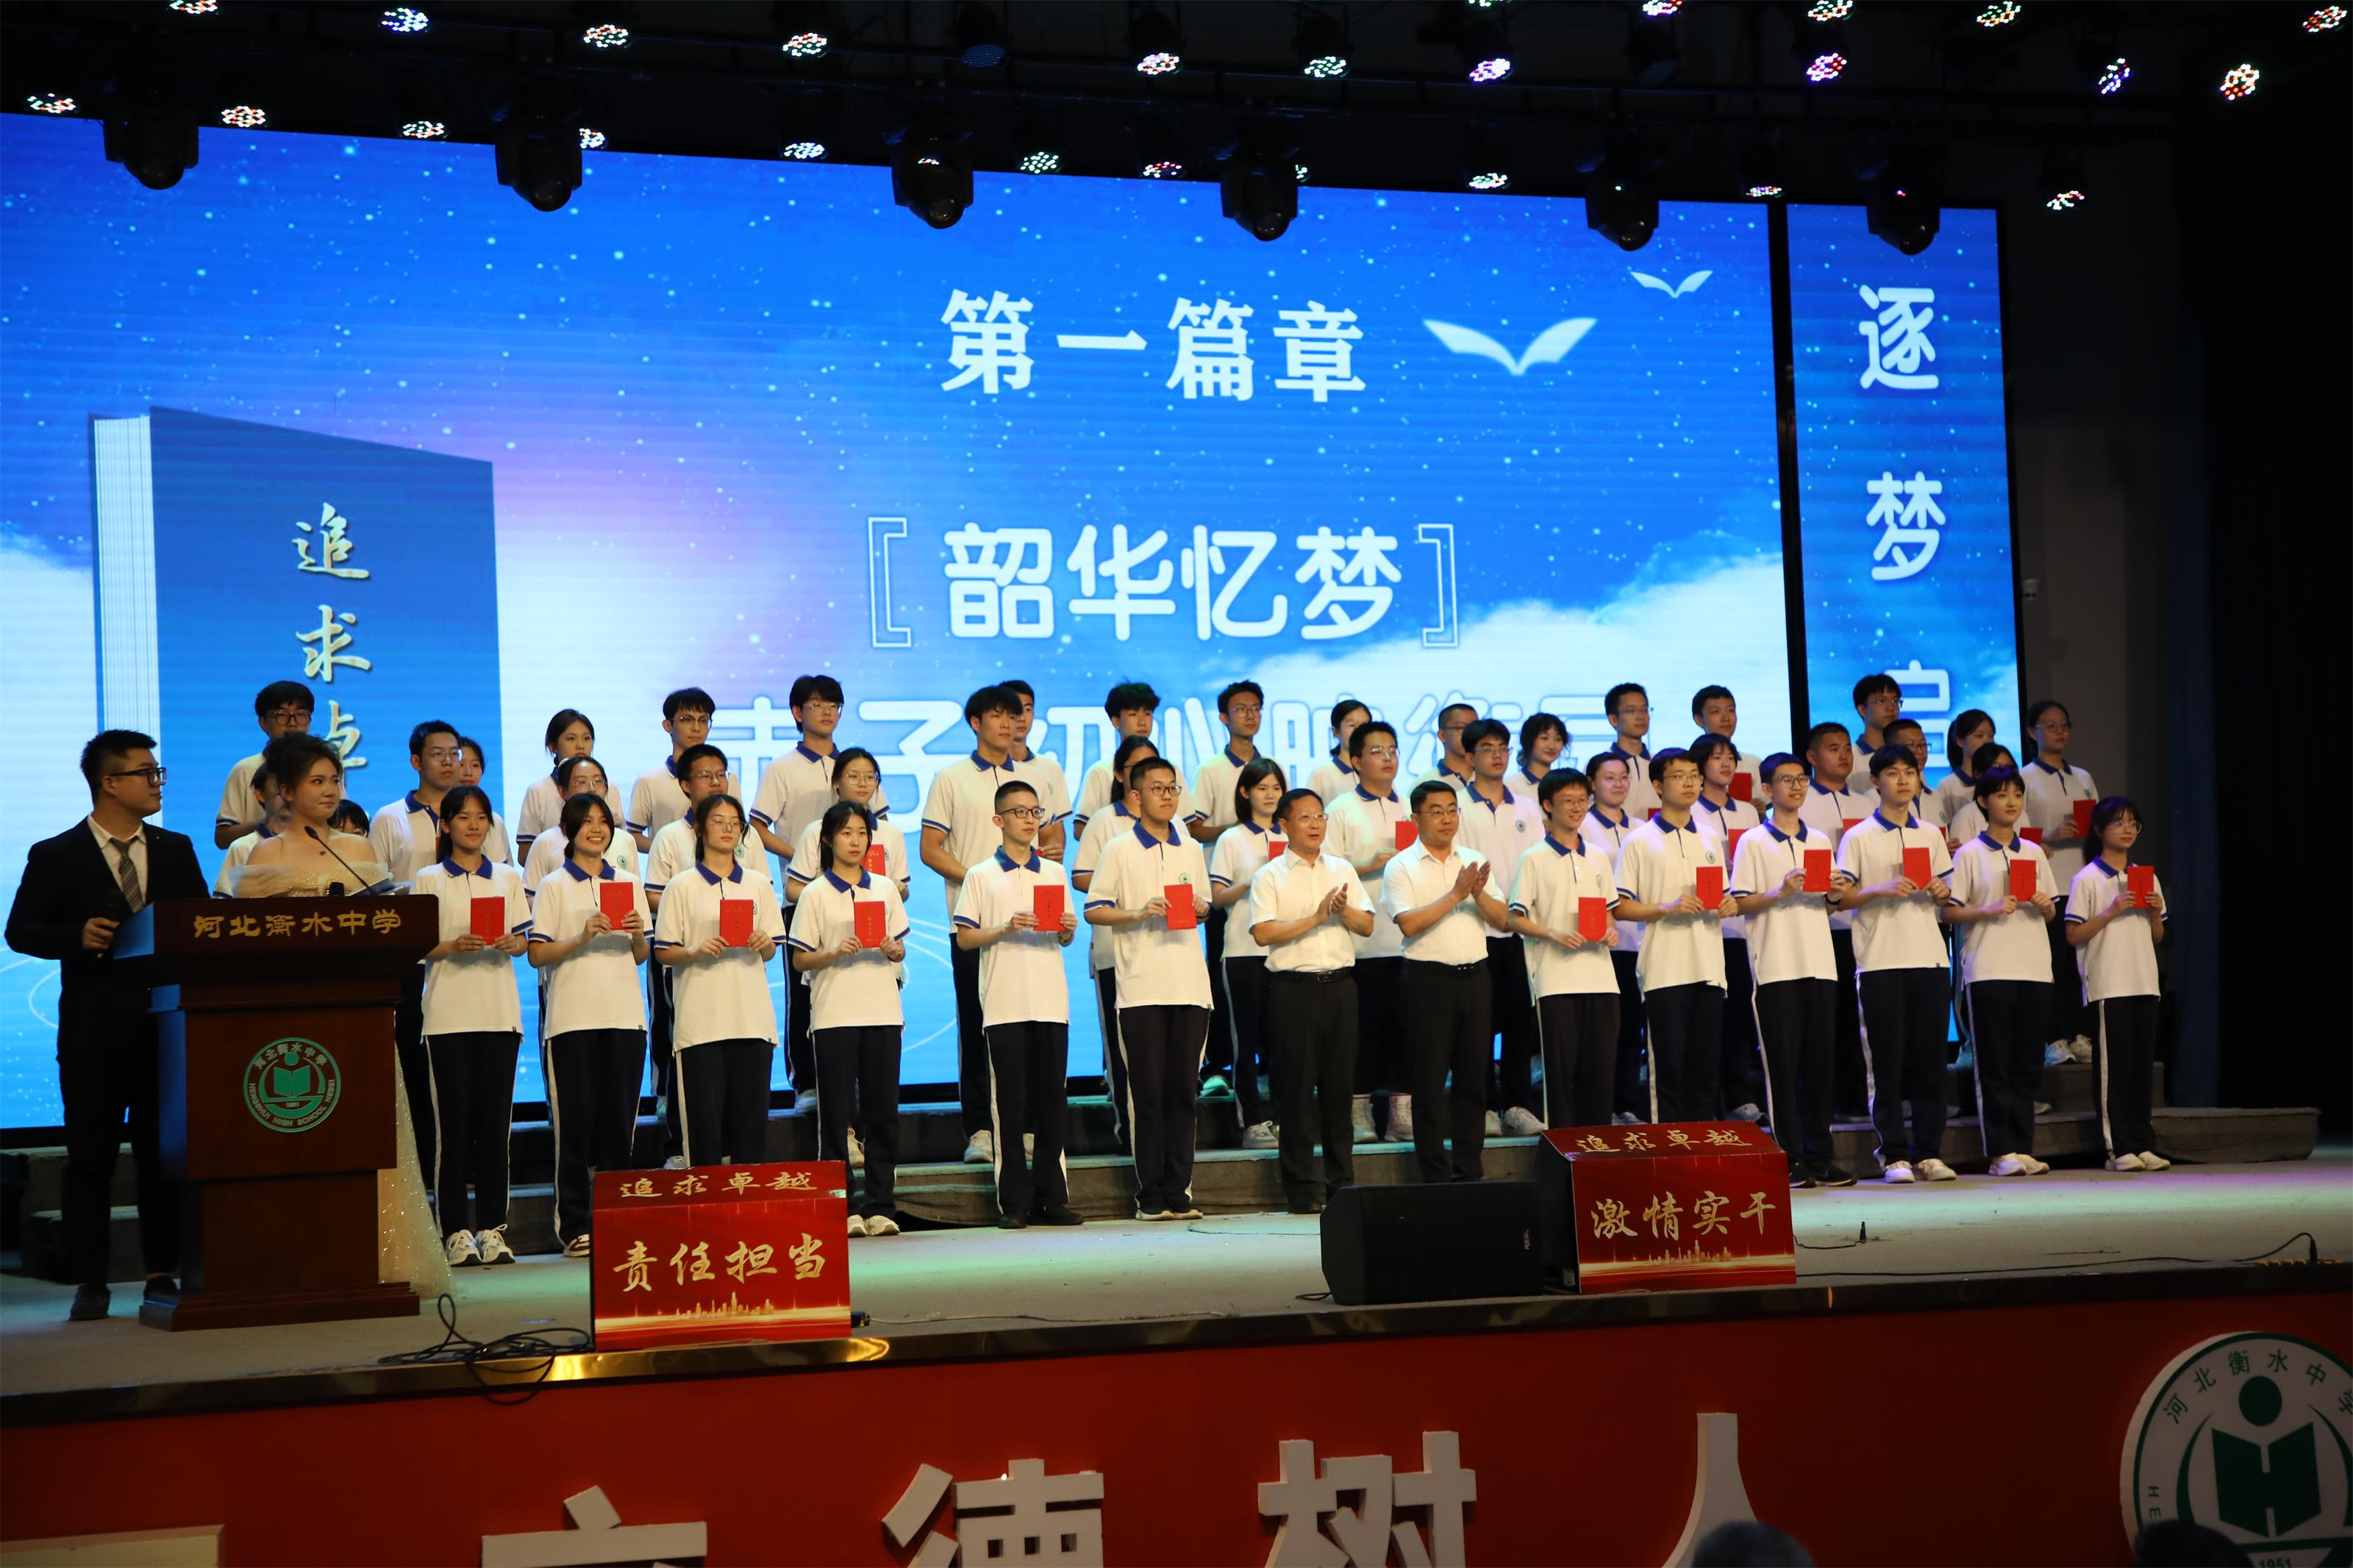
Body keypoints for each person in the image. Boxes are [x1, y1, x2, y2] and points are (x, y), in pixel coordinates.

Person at [230, 737, 447, 1298]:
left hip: (362, 1019)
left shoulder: (358, 848)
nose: (330, 791)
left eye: (335, 780)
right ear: (285, 790)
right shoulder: (265, 856)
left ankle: (377, 1256)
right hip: (289, 1018)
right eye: (316, 781)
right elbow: (249, 943)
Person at [7, 730, 207, 1322]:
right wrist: (76, 935)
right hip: (93, 1030)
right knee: (90, 1157)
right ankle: (90, 1280)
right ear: (109, 783)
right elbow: (20, 930)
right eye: (146, 772)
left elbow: (196, 921)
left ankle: (161, 1272)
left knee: (160, 1156)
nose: (157, 782)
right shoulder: (57, 853)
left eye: (157, 771)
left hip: (165, 1027)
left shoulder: (175, 848)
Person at [751, 676, 896, 1114]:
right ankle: (807, 1084)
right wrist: (807, 858)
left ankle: (858, 1084)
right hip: (805, 898)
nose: (827, 712)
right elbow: (756, 828)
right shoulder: (782, 768)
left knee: (867, 988)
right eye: (817, 704)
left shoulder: (856, 765)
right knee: (804, 993)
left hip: (865, 898)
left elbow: (879, 829)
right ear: (798, 713)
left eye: (834, 704)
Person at [1085, 757, 1214, 1220]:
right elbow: (1095, 909)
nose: (1167, 796)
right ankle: (1151, 1194)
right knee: (1148, 1094)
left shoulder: (1190, 848)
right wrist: (1138, 912)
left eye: (1172, 788)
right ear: (1136, 796)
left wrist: (1200, 907)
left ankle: (1180, 1190)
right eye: (1157, 788)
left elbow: (1204, 906)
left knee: (1184, 1092)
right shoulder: (1119, 848)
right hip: (1140, 988)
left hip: (1190, 986)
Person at [951, 779, 1083, 1228]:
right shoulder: (981, 875)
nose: (1030, 820)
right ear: (998, 820)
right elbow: (965, 938)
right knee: (1008, 1105)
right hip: (1004, 1002)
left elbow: (1064, 937)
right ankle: (1013, 1201)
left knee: (1052, 1102)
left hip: (1050, 1000)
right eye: (1019, 812)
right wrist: (1006, 927)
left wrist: (1066, 929)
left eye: (1035, 812)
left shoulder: (1054, 873)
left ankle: (1051, 1196)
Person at [526, 792, 650, 1259]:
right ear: (568, 830)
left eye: (603, 821)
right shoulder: (554, 885)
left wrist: (636, 933)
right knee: (575, 1127)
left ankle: (618, 1220)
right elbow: (537, 953)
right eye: (587, 821)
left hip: (625, 1017)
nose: (597, 829)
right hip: (572, 1020)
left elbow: (641, 954)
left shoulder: (629, 882)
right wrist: (582, 936)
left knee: (620, 1126)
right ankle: (575, 1224)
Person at [410, 784, 529, 1267]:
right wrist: (451, 945)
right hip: (448, 1019)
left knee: (494, 1128)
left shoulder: (507, 877)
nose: (475, 825)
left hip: (499, 1015)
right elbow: (416, 946)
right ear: (445, 825)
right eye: (464, 817)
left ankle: (493, 1229)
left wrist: (513, 944)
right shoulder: (428, 878)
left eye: (482, 817)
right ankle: (456, 1231)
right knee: (453, 1129)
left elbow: (523, 940)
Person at [1833, 745, 1960, 1184]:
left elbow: (1946, 894)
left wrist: (1941, 893)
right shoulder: (1859, 836)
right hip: (1881, 961)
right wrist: (1880, 889)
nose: (1903, 780)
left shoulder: (1931, 834)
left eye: (1910, 772)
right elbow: (1840, 898)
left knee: (1931, 1062)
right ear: (1876, 781)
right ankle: (1893, 1154)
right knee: (1885, 1063)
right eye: (1893, 773)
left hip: (1930, 959)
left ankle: (1929, 1152)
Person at [1247, 787, 1376, 1212]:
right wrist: (1317, 918)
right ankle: (1301, 1189)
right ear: (1284, 825)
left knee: (1340, 1092)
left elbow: (1367, 925)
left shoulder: (1341, 868)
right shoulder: (1270, 876)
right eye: (1305, 817)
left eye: (1320, 816)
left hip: (1341, 988)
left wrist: (1341, 911)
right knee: (1296, 1093)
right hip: (1293, 991)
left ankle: (1342, 1185)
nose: (1315, 824)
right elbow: (1263, 933)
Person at [788, 800, 910, 1236]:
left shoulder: (886, 889)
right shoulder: (815, 893)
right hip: (834, 1014)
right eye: (846, 833)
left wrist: (894, 949)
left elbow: (900, 946)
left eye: (862, 833)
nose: (855, 841)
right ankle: (844, 1207)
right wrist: (832, 952)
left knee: (883, 1113)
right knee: (837, 1115)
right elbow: (800, 960)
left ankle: (881, 1205)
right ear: (828, 839)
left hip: (882, 1011)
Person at [1729, 753, 1852, 1187]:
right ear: (1767, 789)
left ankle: (1821, 1156)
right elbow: (1739, 903)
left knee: (1821, 1066)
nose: (1797, 787)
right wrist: (1781, 891)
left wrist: (1835, 893)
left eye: (1802, 779)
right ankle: (1789, 1157)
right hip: (1776, 966)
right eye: (1786, 780)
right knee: (1782, 1068)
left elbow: (1828, 904)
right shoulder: (1753, 841)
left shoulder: (1817, 838)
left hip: (1819, 963)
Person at [921, 684, 1031, 1167]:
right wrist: (980, 881)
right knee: (976, 1026)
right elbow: (930, 848)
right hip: (971, 923)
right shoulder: (952, 778)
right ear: (975, 722)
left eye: (1013, 715)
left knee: (1026, 1026)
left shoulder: (1029, 779)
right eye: (997, 716)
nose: (1007, 724)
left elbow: (1046, 841)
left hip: (1029, 924)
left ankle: (1022, 1125)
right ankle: (981, 1129)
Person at [1384, 781, 1507, 1182]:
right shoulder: (1401, 866)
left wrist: (1478, 894)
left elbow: (1502, 919)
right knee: (1429, 1082)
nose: (1446, 818)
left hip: (1475, 979)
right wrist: (1457, 893)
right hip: (1427, 981)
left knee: (1474, 1080)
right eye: (1436, 811)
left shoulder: (1473, 859)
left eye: (1452, 810)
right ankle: (1435, 1175)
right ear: (1415, 818)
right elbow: (1408, 923)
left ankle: (1470, 1169)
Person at [652, 795, 784, 1167]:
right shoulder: (681, 885)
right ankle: (706, 1201)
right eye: (718, 821)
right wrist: (695, 950)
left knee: (751, 1129)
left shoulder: (757, 883)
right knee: (703, 1132)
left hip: (751, 1021)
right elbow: (663, 952)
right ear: (699, 829)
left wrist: (764, 942)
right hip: (701, 1025)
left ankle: (749, 1201)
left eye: (734, 823)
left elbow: (772, 949)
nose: (727, 829)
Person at [1941, 765, 2057, 1177]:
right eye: (2002, 795)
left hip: (2034, 968)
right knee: (1994, 1063)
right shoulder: (1970, 853)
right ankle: (2000, 1151)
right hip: (1989, 968)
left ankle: (2023, 1146)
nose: (2012, 802)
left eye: (2017, 795)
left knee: (2027, 1062)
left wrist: (2045, 906)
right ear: (1983, 801)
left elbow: (2051, 911)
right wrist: (1988, 909)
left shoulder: (2034, 853)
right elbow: (1949, 911)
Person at [368, 719, 467, 1181]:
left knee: (463, 1068)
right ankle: (422, 1170)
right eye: (437, 754)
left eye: (455, 753)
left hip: (470, 957)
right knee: (415, 1065)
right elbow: (373, 891)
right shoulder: (390, 818)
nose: (449, 762)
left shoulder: (480, 816)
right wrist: (416, 893)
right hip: (415, 962)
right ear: (415, 761)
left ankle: (461, 1166)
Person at [643, 743, 751, 1165]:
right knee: (685, 1046)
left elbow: (756, 890)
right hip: (687, 958)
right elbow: (654, 894)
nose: (716, 781)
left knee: (737, 1063)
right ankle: (679, 1145)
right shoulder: (671, 837)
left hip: (739, 972)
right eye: (706, 775)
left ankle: (729, 1152)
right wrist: (692, 915)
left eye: (722, 774)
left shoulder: (746, 837)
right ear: (686, 785)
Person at [1611, 750, 1730, 1123]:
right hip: (1664, 969)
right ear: (1659, 786)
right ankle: (1671, 1147)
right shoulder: (1639, 840)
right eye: (1679, 776)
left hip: (1709, 966)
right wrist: (1665, 908)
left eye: (1694, 775)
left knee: (1706, 1068)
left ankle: (1701, 1145)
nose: (1690, 783)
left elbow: (1722, 894)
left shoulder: (1710, 837)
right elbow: (1620, 907)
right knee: (1669, 1069)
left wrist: (1728, 904)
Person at [1506, 769, 1621, 1131]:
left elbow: (1608, 912)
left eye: (1582, 800)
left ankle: (1599, 1151)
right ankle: (1564, 1152)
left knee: (1600, 1074)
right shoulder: (1534, 858)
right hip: (1555, 982)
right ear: (1547, 805)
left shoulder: (1598, 856)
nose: (1576, 808)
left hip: (1602, 980)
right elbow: (1514, 918)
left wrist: (1610, 932)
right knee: (1561, 1078)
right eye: (1567, 801)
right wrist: (1552, 933)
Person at [2065, 797, 2171, 1173]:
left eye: (2133, 824)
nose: (2127, 830)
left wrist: (2154, 913)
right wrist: (2112, 911)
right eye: (2119, 823)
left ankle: (2143, 1143)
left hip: (2144, 980)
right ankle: (2118, 1147)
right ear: (2099, 830)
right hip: (2109, 984)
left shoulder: (2146, 876)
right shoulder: (2087, 879)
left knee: (2141, 1068)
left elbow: (2157, 937)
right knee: (2115, 1070)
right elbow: (2073, 934)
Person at [1324, 720, 1413, 1144]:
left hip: (1408, 940)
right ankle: (1358, 1113)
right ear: (1356, 761)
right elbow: (1326, 872)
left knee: (1404, 1031)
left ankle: (1400, 1114)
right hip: (1361, 943)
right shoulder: (1340, 808)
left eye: (1392, 749)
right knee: (1358, 1034)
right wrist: (1371, 865)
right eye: (1377, 751)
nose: (1388, 758)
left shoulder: (1411, 804)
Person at [1072, 734, 1160, 1156]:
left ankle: (1162, 1133)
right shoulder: (1104, 821)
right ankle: (1130, 1129)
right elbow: (1081, 877)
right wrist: (1126, 888)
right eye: (1137, 769)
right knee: (1124, 1049)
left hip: (1164, 953)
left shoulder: (1176, 829)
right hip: (1115, 952)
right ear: (1122, 776)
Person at [1456, 717, 1544, 1136]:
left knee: (1518, 1023)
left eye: (1503, 748)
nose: (1497, 755)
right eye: (1487, 748)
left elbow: (1539, 863)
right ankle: (1484, 1107)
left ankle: (1518, 1106)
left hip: (1519, 931)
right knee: (1477, 1026)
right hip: (1473, 930)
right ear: (1469, 756)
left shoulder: (1526, 807)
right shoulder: (1456, 805)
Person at [1798, 721, 1877, 1122]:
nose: (1844, 754)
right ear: (1812, 757)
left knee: (1858, 1017)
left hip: (1861, 924)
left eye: (1847, 747)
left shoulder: (1867, 806)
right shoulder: (1801, 804)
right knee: (1823, 1019)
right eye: (1834, 748)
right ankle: (1824, 1101)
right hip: (1820, 924)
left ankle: (1858, 1097)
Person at [1187, 681, 1263, 1098]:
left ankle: (1264, 1060)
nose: (1250, 716)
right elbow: (1194, 827)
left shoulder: (1269, 766)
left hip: (1269, 891)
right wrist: (1240, 828)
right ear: (1223, 717)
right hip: (1223, 886)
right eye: (1241, 709)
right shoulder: (1211, 769)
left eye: (1256, 708)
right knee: (1220, 977)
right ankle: (1217, 1064)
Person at [1209, 758, 1288, 1148]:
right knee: (1246, 1041)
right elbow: (1215, 897)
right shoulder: (1232, 838)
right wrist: (1253, 881)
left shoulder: (1291, 835)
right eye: (1262, 788)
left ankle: (1285, 1118)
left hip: (1286, 949)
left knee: (1285, 1040)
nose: (1271, 795)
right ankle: (1252, 1121)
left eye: (1276, 788)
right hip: (1243, 949)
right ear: (1245, 792)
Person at [1690, 732, 1763, 1120]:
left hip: (1740, 928)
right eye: (1716, 757)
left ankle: (1740, 1095)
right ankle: (1707, 1100)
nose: (1726, 764)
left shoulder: (1749, 813)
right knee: (1705, 1018)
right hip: (1704, 927)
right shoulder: (1691, 813)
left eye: (1730, 757)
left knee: (1738, 1015)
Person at [2022, 699, 2100, 1064]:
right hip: (2049, 885)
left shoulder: (2083, 777)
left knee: (2081, 965)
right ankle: (2054, 1038)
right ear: (2031, 732)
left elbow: (2102, 824)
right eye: (2050, 726)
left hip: (2082, 883)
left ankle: (2081, 1034)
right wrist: (2049, 836)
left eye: (2064, 725)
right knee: (2053, 965)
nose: (2059, 732)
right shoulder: (2024, 778)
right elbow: (2015, 834)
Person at [1582, 751, 1649, 1124]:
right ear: (1592, 784)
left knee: (1632, 1027)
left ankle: (1625, 1102)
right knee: (1603, 1029)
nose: (1619, 784)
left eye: (1624, 777)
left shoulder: (1642, 827)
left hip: (1638, 941)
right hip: (1601, 942)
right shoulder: (1583, 825)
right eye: (1609, 778)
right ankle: (1598, 1105)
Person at [1074, 681, 1201, 835]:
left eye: (1147, 713)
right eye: (1133, 714)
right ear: (1116, 721)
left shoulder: (1170, 769)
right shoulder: (1100, 772)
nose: (1142, 722)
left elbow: (1186, 826)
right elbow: (1081, 830)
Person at [626, 687, 740, 854]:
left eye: (703, 720)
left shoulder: (726, 777)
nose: (696, 728)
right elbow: (633, 836)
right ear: (668, 725)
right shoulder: (649, 780)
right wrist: (671, 851)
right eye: (686, 720)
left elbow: (739, 829)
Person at [214, 680, 313, 850]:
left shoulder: (324, 769)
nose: (292, 723)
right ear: (263, 723)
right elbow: (222, 838)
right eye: (282, 715)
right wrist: (268, 823)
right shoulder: (246, 769)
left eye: (301, 714)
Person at [521, 756, 638, 891]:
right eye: (581, 782)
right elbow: (530, 897)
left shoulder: (626, 840)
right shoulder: (545, 842)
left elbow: (635, 893)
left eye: (598, 781)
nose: (592, 788)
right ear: (562, 792)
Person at [1001, 679, 1074, 863]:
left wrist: (1052, 865)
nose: (1022, 717)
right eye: (1015, 710)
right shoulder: (992, 770)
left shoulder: (1050, 768)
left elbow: (1056, 829)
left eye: (1027, 709)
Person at [515, 708, 598, 858]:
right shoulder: (538, 791)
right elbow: (524, 854)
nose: (581, 745)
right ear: (552, 746)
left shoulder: (607, 787)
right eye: (571, 739)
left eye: (587, 738)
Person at [213, 766, 291, 896]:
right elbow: (223, 905)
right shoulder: (242, 847)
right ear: (260, 794)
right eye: (280, 788)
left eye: (293, 788)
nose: (287, 796)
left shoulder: (319, 843)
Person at [1690, 684, 1763, 799]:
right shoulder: (1688, 766)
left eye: (1731, 710)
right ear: (1699, 719)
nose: (1726, 718)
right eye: (1716, 712)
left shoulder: (1754, 764)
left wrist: (1760, 807)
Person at [1932, 709, 1996, 836]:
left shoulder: (1997, 781)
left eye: (1991, 736)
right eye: (1979, 736)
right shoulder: (1947, 787)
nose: (1987, 742)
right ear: (1961, 741)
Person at [1602, 682, 1661, 818]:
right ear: (1613, 719)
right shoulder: (1600, 765)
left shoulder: (1660, 762)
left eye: (1645, 710)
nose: (1641, 717)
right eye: (1631, 711)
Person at [454, 737, 516, 863]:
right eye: (461, 765)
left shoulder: (494, 821)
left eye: (475, 765)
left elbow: (505, 871)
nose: (468, 772)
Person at [1307, 699, 1370, 804]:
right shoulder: (1322, 775)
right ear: (1336, 731)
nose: (1359, 730)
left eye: (1365, 724)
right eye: (1352, 725)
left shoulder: (1376, 772)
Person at [1412, 702, 1478, 796]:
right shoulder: (1424, 784)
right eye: (1462, 728)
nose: (1470, 734)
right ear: (1442, 736)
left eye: (1475, 728)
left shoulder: (1491, 778)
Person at [1515, 712, 1566, 794]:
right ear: (1529, 741)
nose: (1552, 746)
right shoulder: (1511, 786)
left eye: (1558, 739)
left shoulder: (1566, 785)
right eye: (1544, 738)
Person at [1852, 672, 1901, 756]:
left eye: (1895, 701)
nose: (1891, 708)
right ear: (1863, 710)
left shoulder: (1905, 754)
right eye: (1881, 701)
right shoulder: (1850, 758)